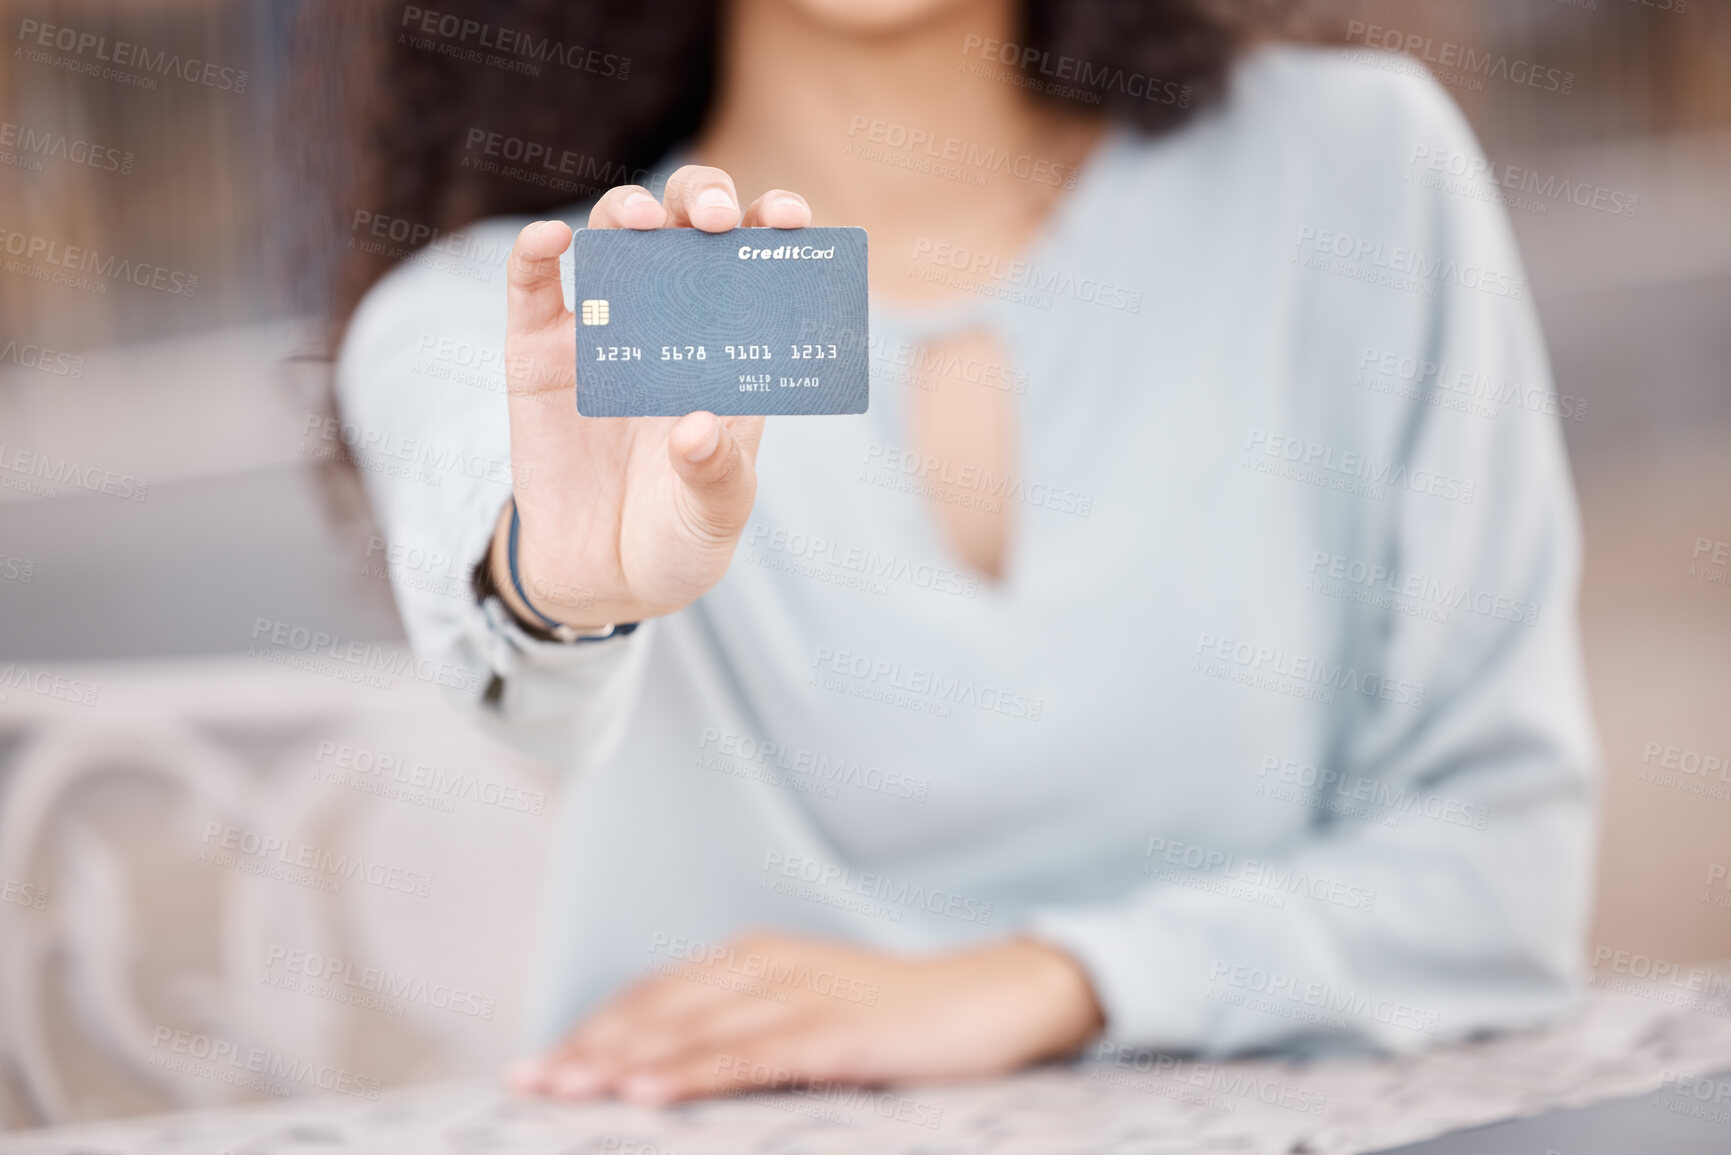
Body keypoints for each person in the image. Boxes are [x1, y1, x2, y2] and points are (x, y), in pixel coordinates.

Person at [330, 0, 1597, 1108]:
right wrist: (555, 590)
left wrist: (1052, 983)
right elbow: (509, 597)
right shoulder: (527, 311)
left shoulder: (1349, 175)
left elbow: (1502, 871)